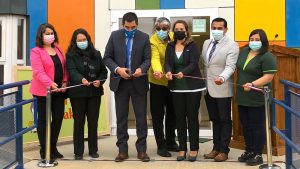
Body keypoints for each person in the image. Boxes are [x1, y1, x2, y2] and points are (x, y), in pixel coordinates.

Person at [103, 12, 151, 162]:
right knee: (121, 118)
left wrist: (141, 70)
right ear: (122, 24)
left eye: (133, 27)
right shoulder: (115, 36)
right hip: (121, 83)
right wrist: (118, 69)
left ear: (137, 24)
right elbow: (107, 57)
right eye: (127, 27)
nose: (130, 30)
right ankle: (122, 150)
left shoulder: (144, 37)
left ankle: (142, 150)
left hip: (138, 82)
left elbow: (147, 59)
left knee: (141, 118)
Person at [165, 20, 206, 162]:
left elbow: (194, 63)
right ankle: (182, 148)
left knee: (192, 118)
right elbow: (167, 63)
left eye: (181, 28)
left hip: (192, 87)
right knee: (180, 118)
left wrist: (183, 71)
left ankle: (194, 149)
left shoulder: (192, 45)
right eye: (176, 29)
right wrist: (169, 72)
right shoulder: (170, 46)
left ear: (186, 31)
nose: (179, 31)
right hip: (176, 87)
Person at [236, 29, 277, 166]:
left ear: (263, 41)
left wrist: (253, 84)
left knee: (257, 126)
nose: (253, 42)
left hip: (258, 96)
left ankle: (258, 153)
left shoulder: (267, 56)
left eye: (257, 39)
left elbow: (268, 76)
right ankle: (250, 150)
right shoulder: (245, 51)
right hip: (243, 96)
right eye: (251, 39)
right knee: (246, 125)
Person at [66, 28, 108, 160]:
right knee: (79, 123)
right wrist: (81, 79)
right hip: (78, 93)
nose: (82, 42)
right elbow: (72, 71)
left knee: (93, 122)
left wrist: (99, 81)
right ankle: (78, 152)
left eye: (84, 40)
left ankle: (93, 150)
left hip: (94, 93)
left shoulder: (96, 54)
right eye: (79, 40)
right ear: (75, 42)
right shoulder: (71, 55)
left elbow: (103, 72)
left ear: (88, 40)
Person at [202, 17, 239, 162]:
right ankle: (215, 148)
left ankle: (224, 150)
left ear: (226, 29)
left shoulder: (232, 45)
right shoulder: (206, 43)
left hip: (222, 87)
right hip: (208, 88)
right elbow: (205, 64)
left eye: (219, 28)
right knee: (215, 119)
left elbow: (230, 66)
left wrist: (222, 78)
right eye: (214, 28)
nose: (216, 31)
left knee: (224, 120)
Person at [30, 23, 68, 160]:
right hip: (43, 92)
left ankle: (52, 147)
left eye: (51, 33)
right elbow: (38, 72)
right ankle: (44, 150)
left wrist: (64, 82)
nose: (50, 35)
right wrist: (50, 83)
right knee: (44, 121)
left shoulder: (58, 49)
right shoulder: (36, 51)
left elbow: (64, 68)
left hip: (59, 91)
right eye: (46, 33)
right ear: (41, 35)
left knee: (57, 118)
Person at [148, 17, 178, 157]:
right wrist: (158, 70)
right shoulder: (153, 40)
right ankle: (161, 145)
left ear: (169, 29)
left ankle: (171, 141)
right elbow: (154, 57)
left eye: (164, 29)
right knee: (158, 115)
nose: (161, 31)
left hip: (172, 81)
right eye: (158, 28)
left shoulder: (174, 38)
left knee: (173, 113)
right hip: (157, 81)